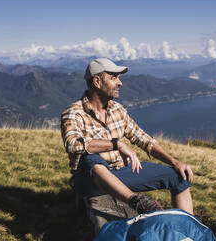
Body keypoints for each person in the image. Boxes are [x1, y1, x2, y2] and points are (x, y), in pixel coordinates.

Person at [61, 58, 194, 215]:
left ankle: (186, 232)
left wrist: (175, 162)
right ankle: (136, 201)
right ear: (97, 81)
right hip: (88, 181)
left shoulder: (118, 110)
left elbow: (143, 139)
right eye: (114, 77)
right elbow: (73, 144)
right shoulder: (73, 113)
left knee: (179, 177)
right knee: (91, 159)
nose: (120, 83)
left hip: (121, 172)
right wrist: (116, 144)